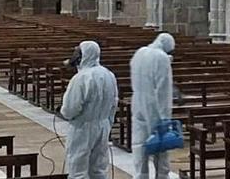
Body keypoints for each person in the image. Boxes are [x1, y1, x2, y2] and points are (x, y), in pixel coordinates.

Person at [59, 41, 118, 179]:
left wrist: (65, 113)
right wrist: (108, 122)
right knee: (98, 169)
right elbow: (114, 103)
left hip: (82, 127)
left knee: (78, 169)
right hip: (103, 126)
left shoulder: (81, 78)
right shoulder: (109, 74)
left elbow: (70, 109)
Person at [130, 33, 175, 179]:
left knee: (139, 146)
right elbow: (163, 90)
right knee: (161, 150)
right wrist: (165, 117)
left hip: (138, 103)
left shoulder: (140, 52)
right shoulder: (161, 58)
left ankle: (140, 175)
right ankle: (162, 176)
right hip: (155, 108)